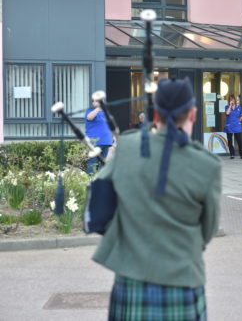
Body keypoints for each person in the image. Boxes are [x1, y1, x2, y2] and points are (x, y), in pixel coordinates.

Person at [92, 78, 221, 320]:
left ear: (156, 115)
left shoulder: (128, 147)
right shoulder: (207, 165)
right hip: (182, 278)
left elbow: (98, 203)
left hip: (131, 280)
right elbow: (208, 230)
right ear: (193, 114)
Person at [85, 99, 113, 174]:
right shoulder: (90, 111)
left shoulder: (106, 113)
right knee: (92, 162)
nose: (97, 102)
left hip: (106, 141)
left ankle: (100, 180)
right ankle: (90, 180)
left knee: (103, 163)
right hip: (95, 142)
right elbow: (89, 117)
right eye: (95, 101)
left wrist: (112, 138)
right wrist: (97, 109)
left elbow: (110, 126)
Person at [225, 94, 242, 159]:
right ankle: (232, 154)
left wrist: (238, 121)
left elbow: (241, 116)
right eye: (231, 99)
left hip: (237, 126)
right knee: (230, 141)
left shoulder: (239, 107)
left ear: (235, 100)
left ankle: (241, 154)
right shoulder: (227, 107)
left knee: (239, 140)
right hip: (229, 126)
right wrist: (230, 106)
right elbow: (227, 113)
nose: (232, 100)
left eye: (233, 99)